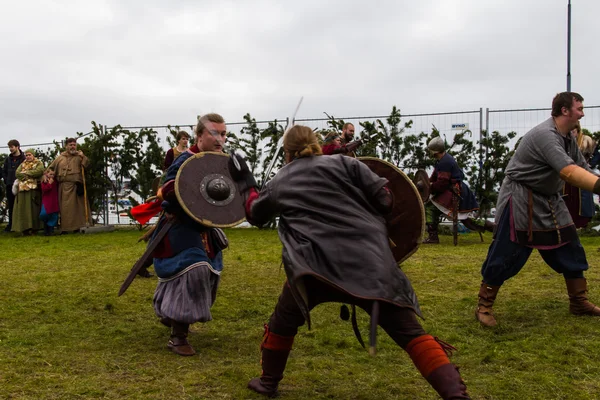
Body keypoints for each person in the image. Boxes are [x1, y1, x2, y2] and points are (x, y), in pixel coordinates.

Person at [233, 125, 469, 399]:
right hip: (370, 263)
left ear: (287, 152)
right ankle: (456, 395)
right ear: (317, 145)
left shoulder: (282, 180)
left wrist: (245, 182)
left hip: (314, 269)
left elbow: (254, 213)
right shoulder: (347, 165)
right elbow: (386, 201)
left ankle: (268, 381)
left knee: (284, 320)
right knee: (409, 332)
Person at [475, 92, 600, 327]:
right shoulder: (545, 135)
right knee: (507, 252)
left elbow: (582, 167)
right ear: (565, 110)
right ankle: (484, 305)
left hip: (550, 199)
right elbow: (568, 172)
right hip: (522, 197)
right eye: (579, 108)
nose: (583, 113)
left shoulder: (567, 137)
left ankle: (578, 301)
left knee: (571, 247)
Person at [149, 113, 229, 356]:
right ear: (199, 136)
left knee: (210, 272)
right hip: (179, 227)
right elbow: (165, 189)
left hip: (205, 229)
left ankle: (172, 314)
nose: (220, 139)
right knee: (192, 270)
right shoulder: (185, 158)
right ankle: (178, 336)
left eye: (223, 134)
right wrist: (182, 187)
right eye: (214, 133)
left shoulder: (221, 160)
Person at [423, 137, 490, 244]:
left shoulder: (445, 162)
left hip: (455, 192)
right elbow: (435, 177)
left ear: (434, 151)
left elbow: (442, 183)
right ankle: (494, 228)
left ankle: (433, 237)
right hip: (453, 190)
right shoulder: (442, 160)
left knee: (430, 207)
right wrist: (428, 183)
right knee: (468, 219)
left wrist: (430, 188)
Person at [48, 138, 91, 233]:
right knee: (65, 209)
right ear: (66, 146)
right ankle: (65, 228)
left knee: (77, 209)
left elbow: (86, 165)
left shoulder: (79, 157)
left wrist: (83, 157)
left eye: (74, 145)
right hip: (63, 187)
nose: (72, 146)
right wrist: (48, 175)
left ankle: (78, 227)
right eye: (70, 145)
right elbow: (50, 168)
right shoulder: (60, 158)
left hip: (76, 186)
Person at [563, 122, 595, 228]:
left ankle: (583, 223)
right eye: (571, 131)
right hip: (569, 175)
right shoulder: (564, 141)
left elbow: (593, 157)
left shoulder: (585, 141)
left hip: (582, 174)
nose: (572, 133)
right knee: (569, 200)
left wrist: (590, 165)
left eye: (574, 131)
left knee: (583, 200)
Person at [12, 149, 44, 235]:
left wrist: (26, 173)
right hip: (22, 189)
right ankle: (24, 228)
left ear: (33, 155)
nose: (28, 157)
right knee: (23, 210)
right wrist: (27, 176)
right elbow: (17, 173)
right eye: (26, 155)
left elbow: (39, 171)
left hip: (33, 190)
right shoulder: (22, 164)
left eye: (30, 155)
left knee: (33, 210)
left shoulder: (38, 163)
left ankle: (34, 228)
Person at [2, 139, 26, 232]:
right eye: (9, 147)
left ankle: (21, 225)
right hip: (9, 185)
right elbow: (4, 171)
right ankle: (11, 225)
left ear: (17, 147)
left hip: (21, 185)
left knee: (21, 205)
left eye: (12, 147)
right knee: (11, 206)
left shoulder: (24, 159)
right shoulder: (8, 159)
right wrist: (6, 179)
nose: (10, 149)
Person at [40, 169, 60, 236]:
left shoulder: (55, 182)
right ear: (47, 174)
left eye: (53, 175)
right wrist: (49, 184)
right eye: (50, 174)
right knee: (44, 214)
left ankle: (51, 230)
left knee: (54, 215)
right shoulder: (44, 182)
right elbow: (44, 189)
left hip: (54, 200)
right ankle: (46, 228)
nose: (52, 176)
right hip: (47, 200)